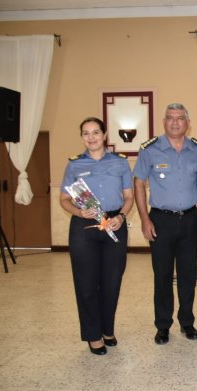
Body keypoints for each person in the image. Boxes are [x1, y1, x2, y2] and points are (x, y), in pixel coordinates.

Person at [60, 117, 133, 355]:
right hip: (84, 227)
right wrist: (78, 211)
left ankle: (107, 329)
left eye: (95, 133)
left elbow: (129, 197)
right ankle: (93, 335)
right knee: (87, 284)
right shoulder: (74, 165)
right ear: (82, 137)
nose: (91, 138)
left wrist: (121, 216)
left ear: (104, 135)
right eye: (86, 133)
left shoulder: (120, 163)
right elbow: (63, 199)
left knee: (112, 282)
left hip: (114, 224)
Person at [133, 103, 197, 345]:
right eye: (171, 118)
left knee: (188, 274)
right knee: (162, 275)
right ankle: (163, 325)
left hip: (189, 219)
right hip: (160, 220)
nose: (175, 122)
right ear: (164, 122)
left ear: (188, 123)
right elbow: (139, 184)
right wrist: (144, 218)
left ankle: (187, 322)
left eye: (180, 118)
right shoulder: (150, 150)